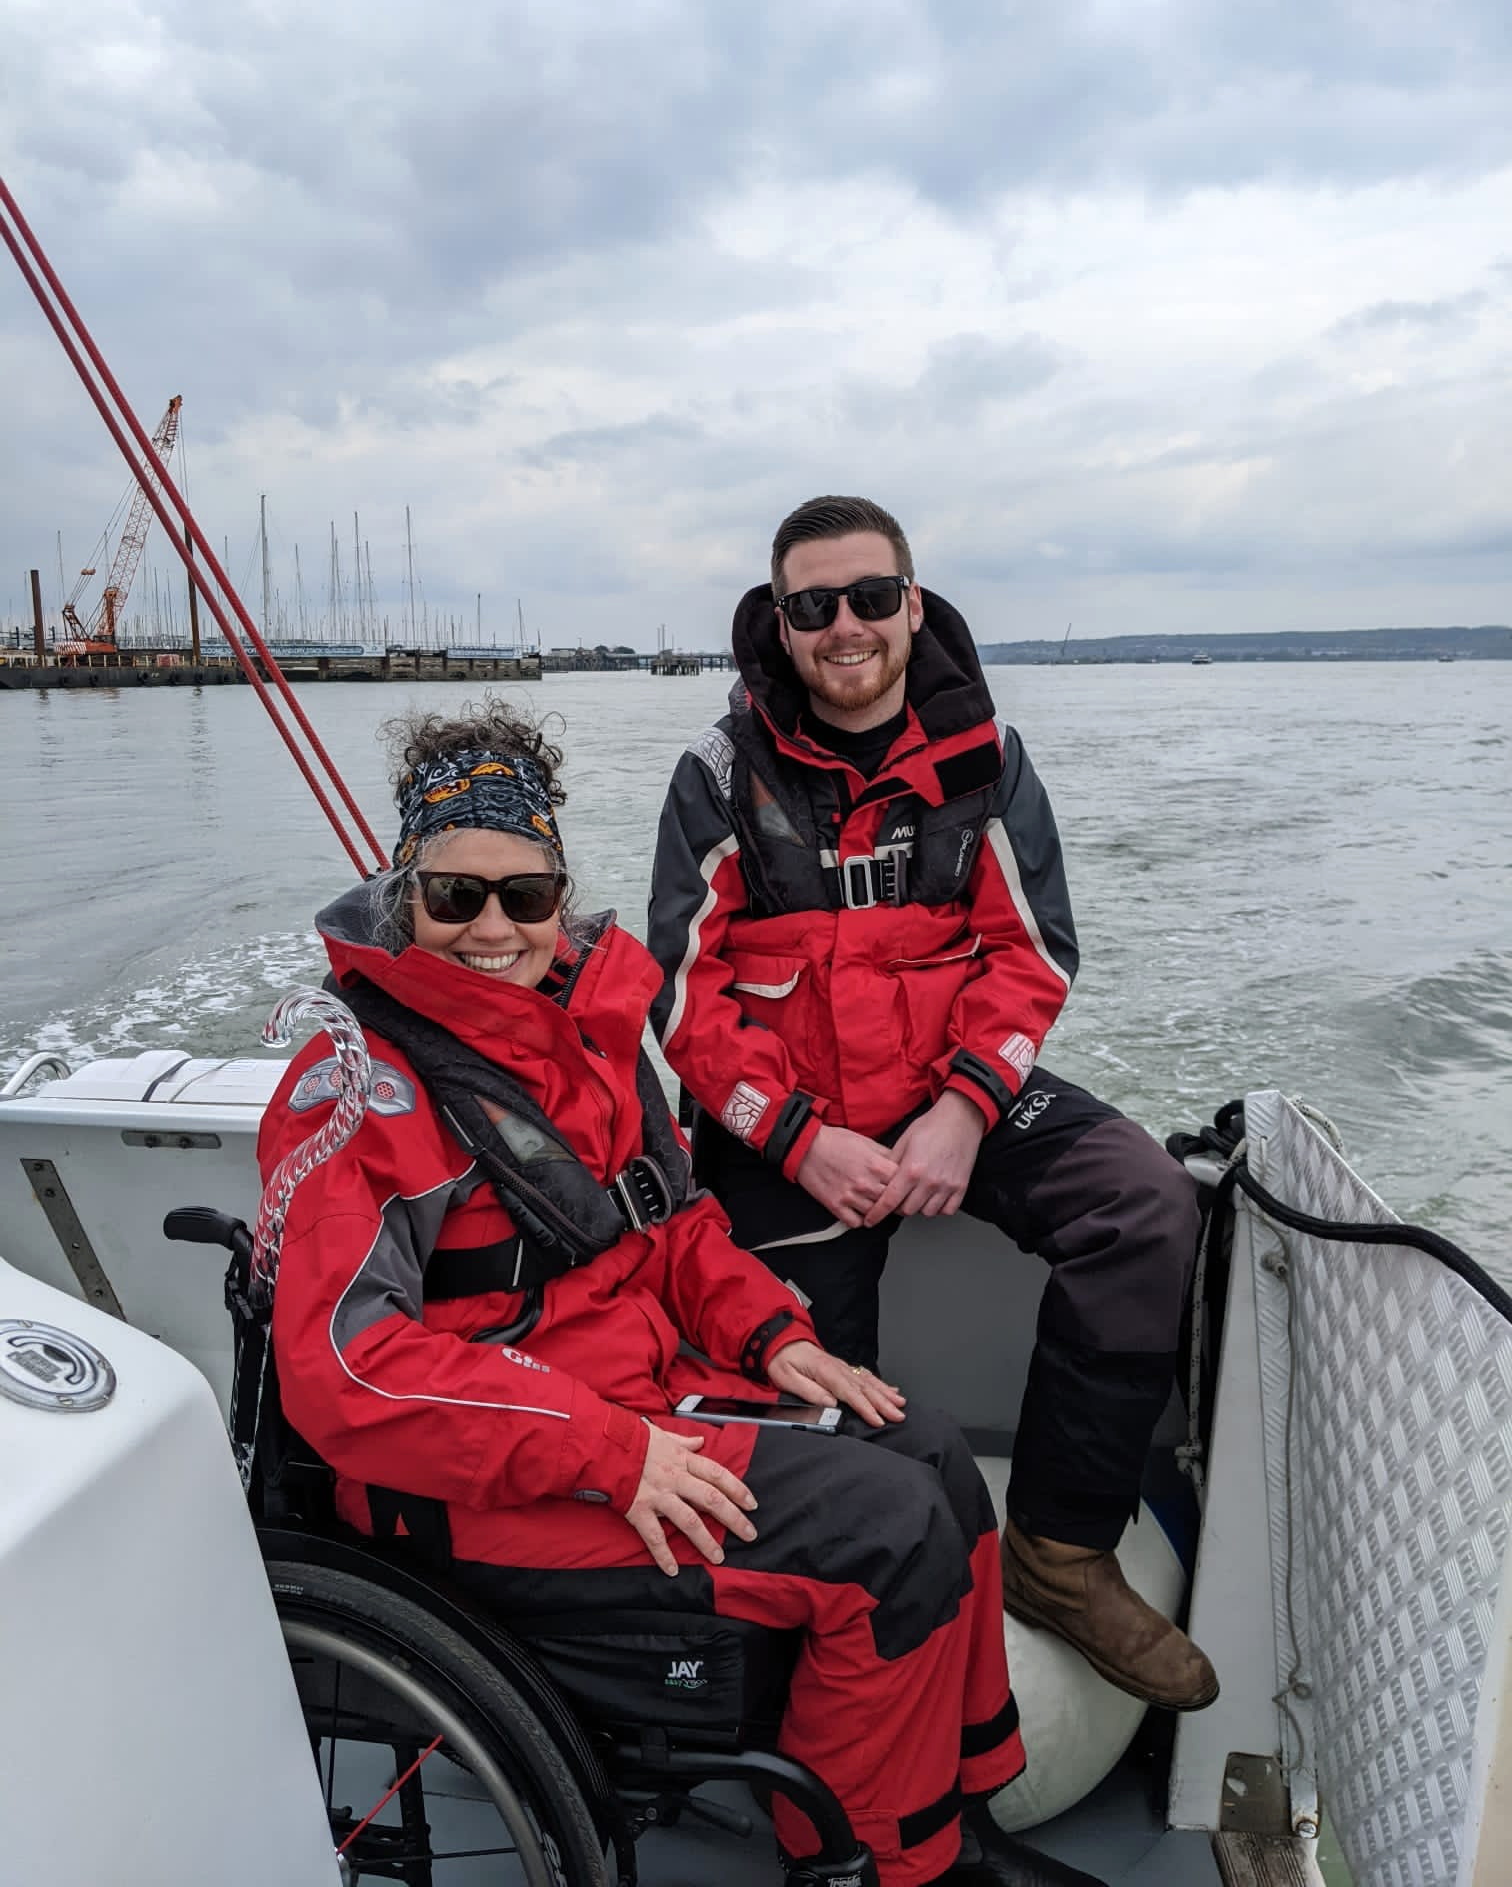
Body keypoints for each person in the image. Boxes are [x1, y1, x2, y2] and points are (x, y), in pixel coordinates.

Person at [259, 700, 1103, 1887]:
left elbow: (674, 1225)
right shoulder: (355, 1086)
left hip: (634, 1392)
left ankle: (949, 1825)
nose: (492, 926)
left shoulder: (588, 1030)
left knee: (929, 1453)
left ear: (561, 895)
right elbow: (346, 1371)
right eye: (455, 895)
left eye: (526, 893)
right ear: (405, 896)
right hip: (481, 1476)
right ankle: (872, 1869)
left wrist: (766, 1334)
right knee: (888, 1536)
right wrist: (608, 1451)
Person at [647, 497, 1218, 1714]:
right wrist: (798, 1141)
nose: (843, 627)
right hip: (786, 1134)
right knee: (803, 1387)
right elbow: (681, 1002)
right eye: (813, 607)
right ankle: (819, 1637)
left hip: (951, 1098)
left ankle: (1061, 1553)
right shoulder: (717, 776)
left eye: (867, 598)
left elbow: (1035, 952)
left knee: (1146, 1206)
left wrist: (963, 1110)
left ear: (912, 605)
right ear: (780, 624)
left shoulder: (988, 758)